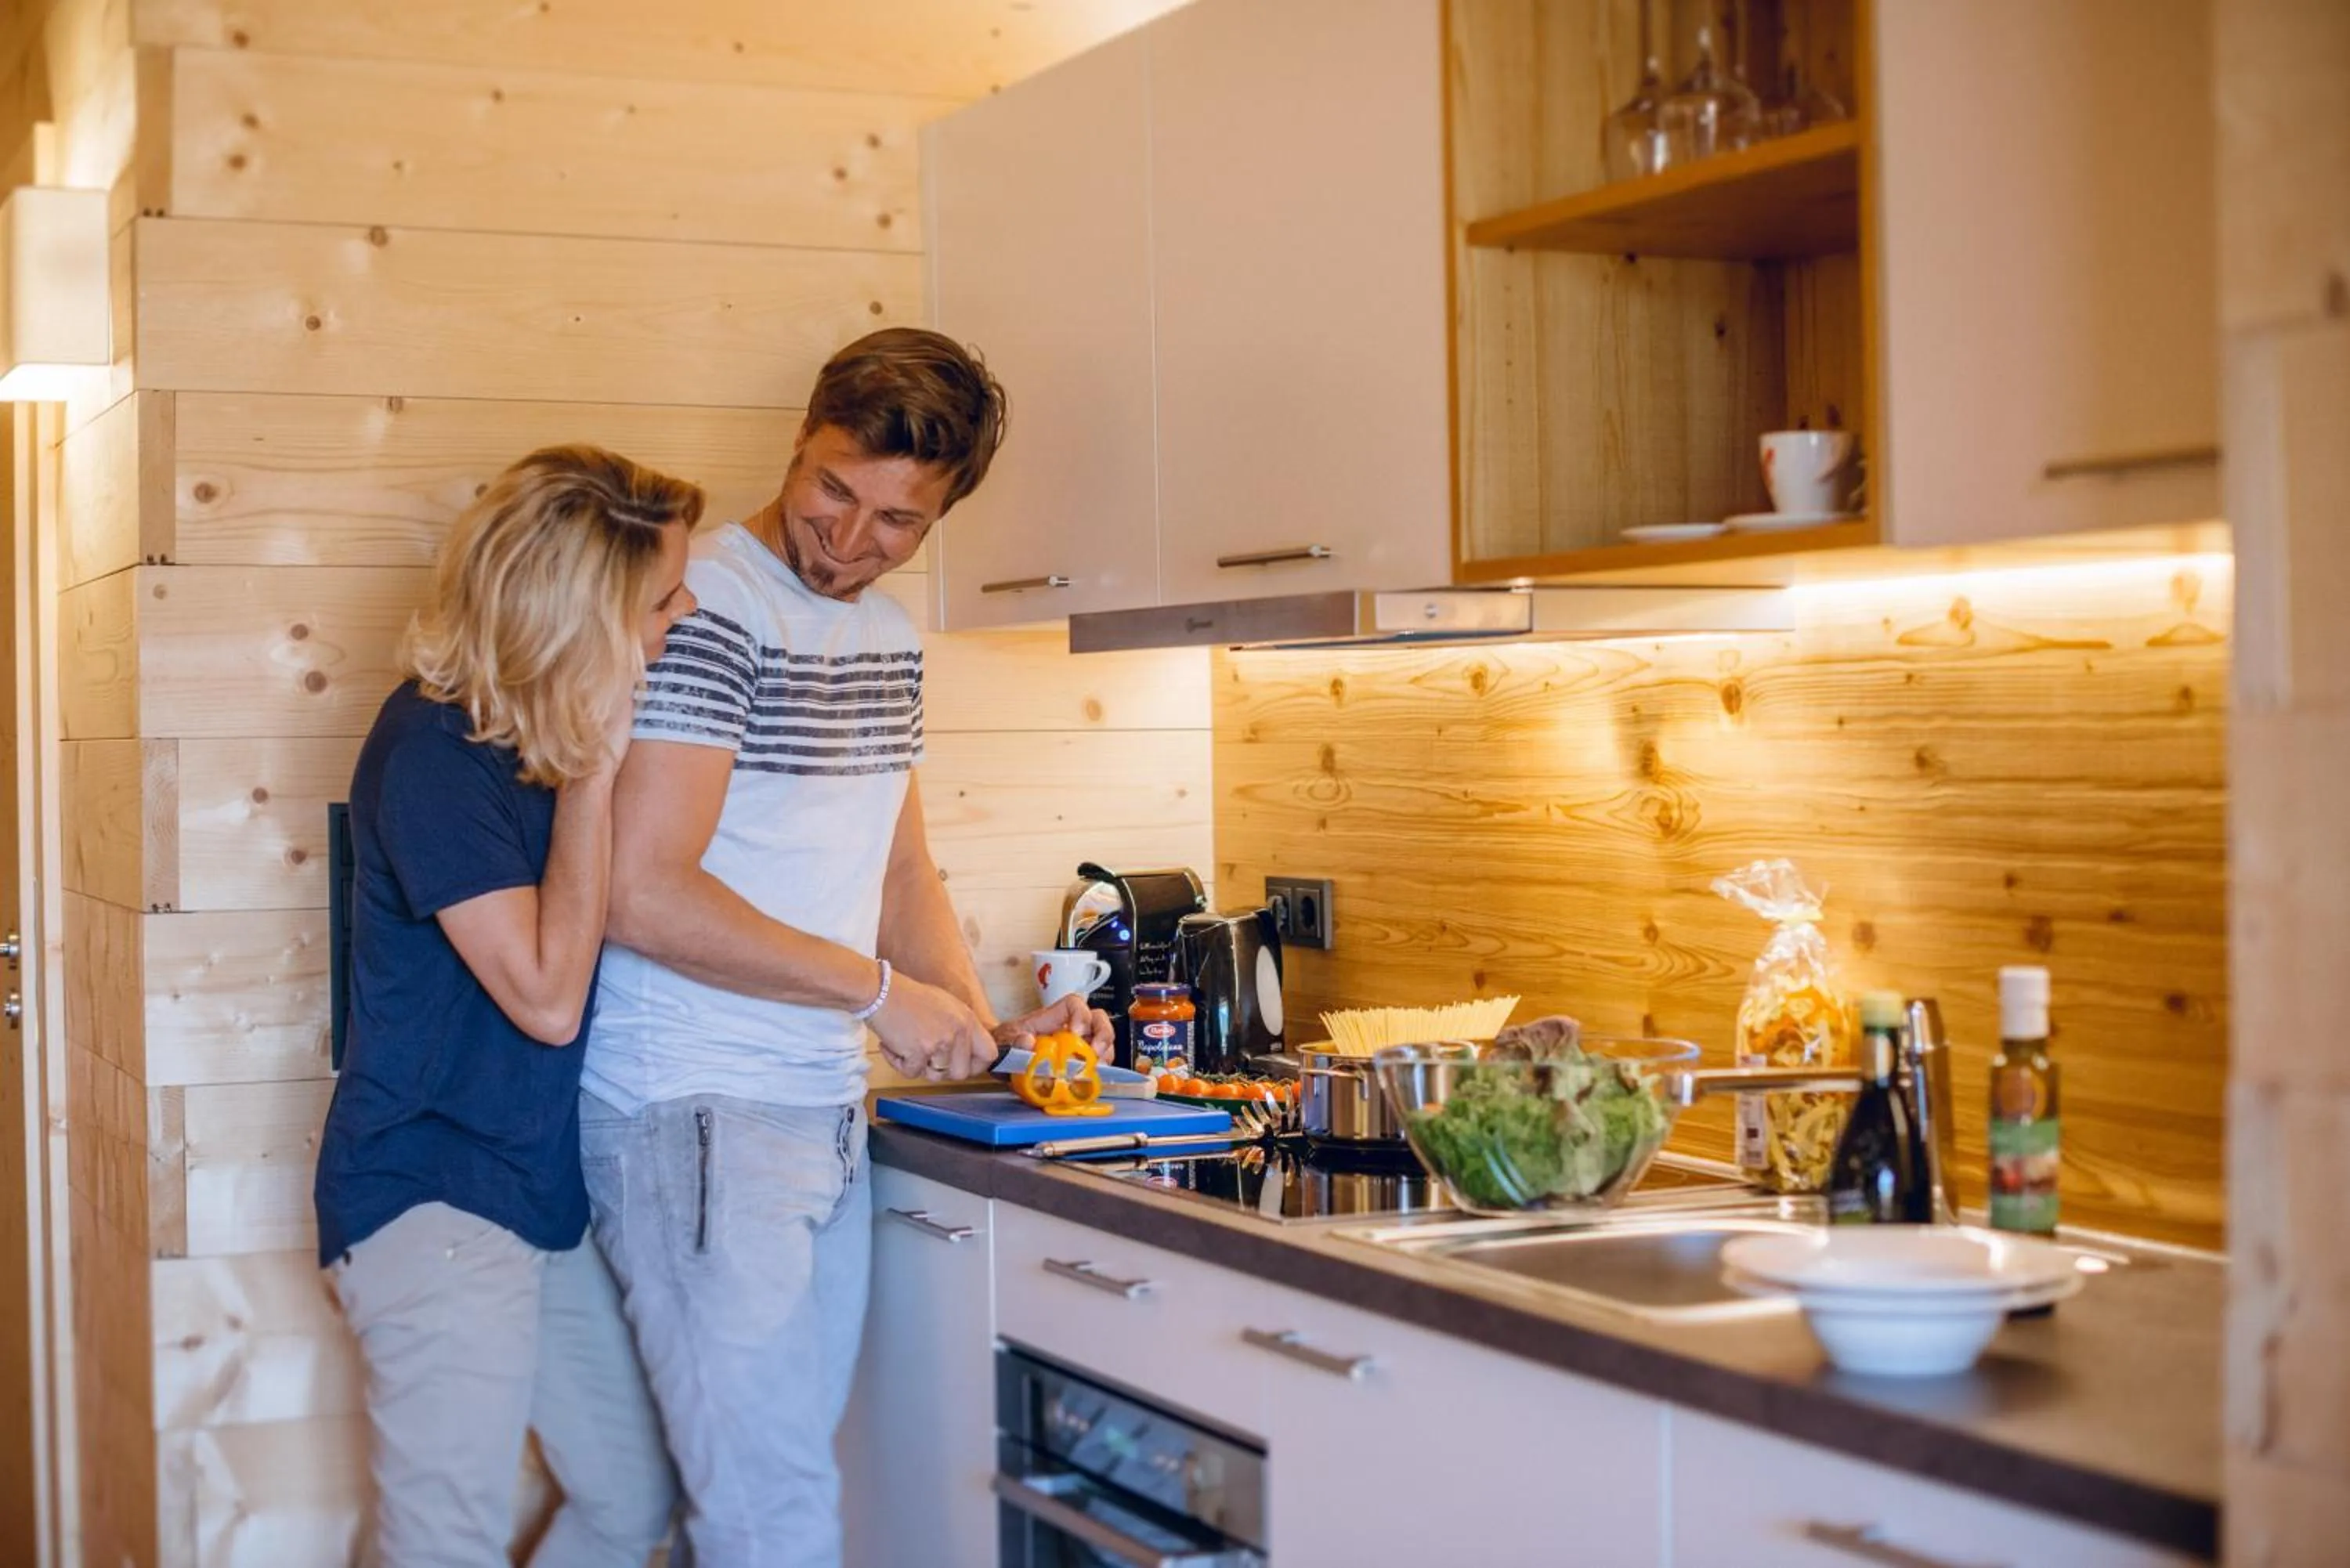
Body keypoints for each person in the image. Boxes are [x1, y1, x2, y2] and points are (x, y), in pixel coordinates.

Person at [584, 328, 1109, 1564]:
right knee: (774, 1519)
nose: (849, 537)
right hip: (693, 1108)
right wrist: (884, 997)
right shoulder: (709, 604)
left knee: (761, 1499)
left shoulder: (881, 637)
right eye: (834, 489)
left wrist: (979, 1031)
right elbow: (644, 893)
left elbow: (896, 868)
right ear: (801, 440)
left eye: (897, 522)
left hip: (813, 1108)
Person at [314, 444, 702, 1567]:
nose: (681, 615)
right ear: (585, 618)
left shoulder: (524, 735)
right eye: (660, 598)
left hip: (533, 1191)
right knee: (445, 1545)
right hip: (428, 1201)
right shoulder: (434, 749)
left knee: (631, 1498)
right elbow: (543, 997)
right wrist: (594, 769)